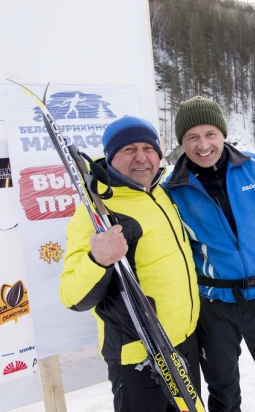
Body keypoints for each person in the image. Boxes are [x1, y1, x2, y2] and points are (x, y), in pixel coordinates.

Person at [165, 96, 255, 412]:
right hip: (213, 307)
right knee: (224, 397)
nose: (203, 145)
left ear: (223, 134)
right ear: (182, 142)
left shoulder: (253, 167)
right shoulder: (171, 189)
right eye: (192, 137)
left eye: (210, 134)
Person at [59, 115, 201, 412]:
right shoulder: (97, 212)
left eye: (148, 148)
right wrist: (98, 261)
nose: (141, 158)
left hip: (182, 345)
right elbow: (72, 297)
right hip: (139, 357)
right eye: (128, 150)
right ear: (111, 157)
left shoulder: (159, 192)